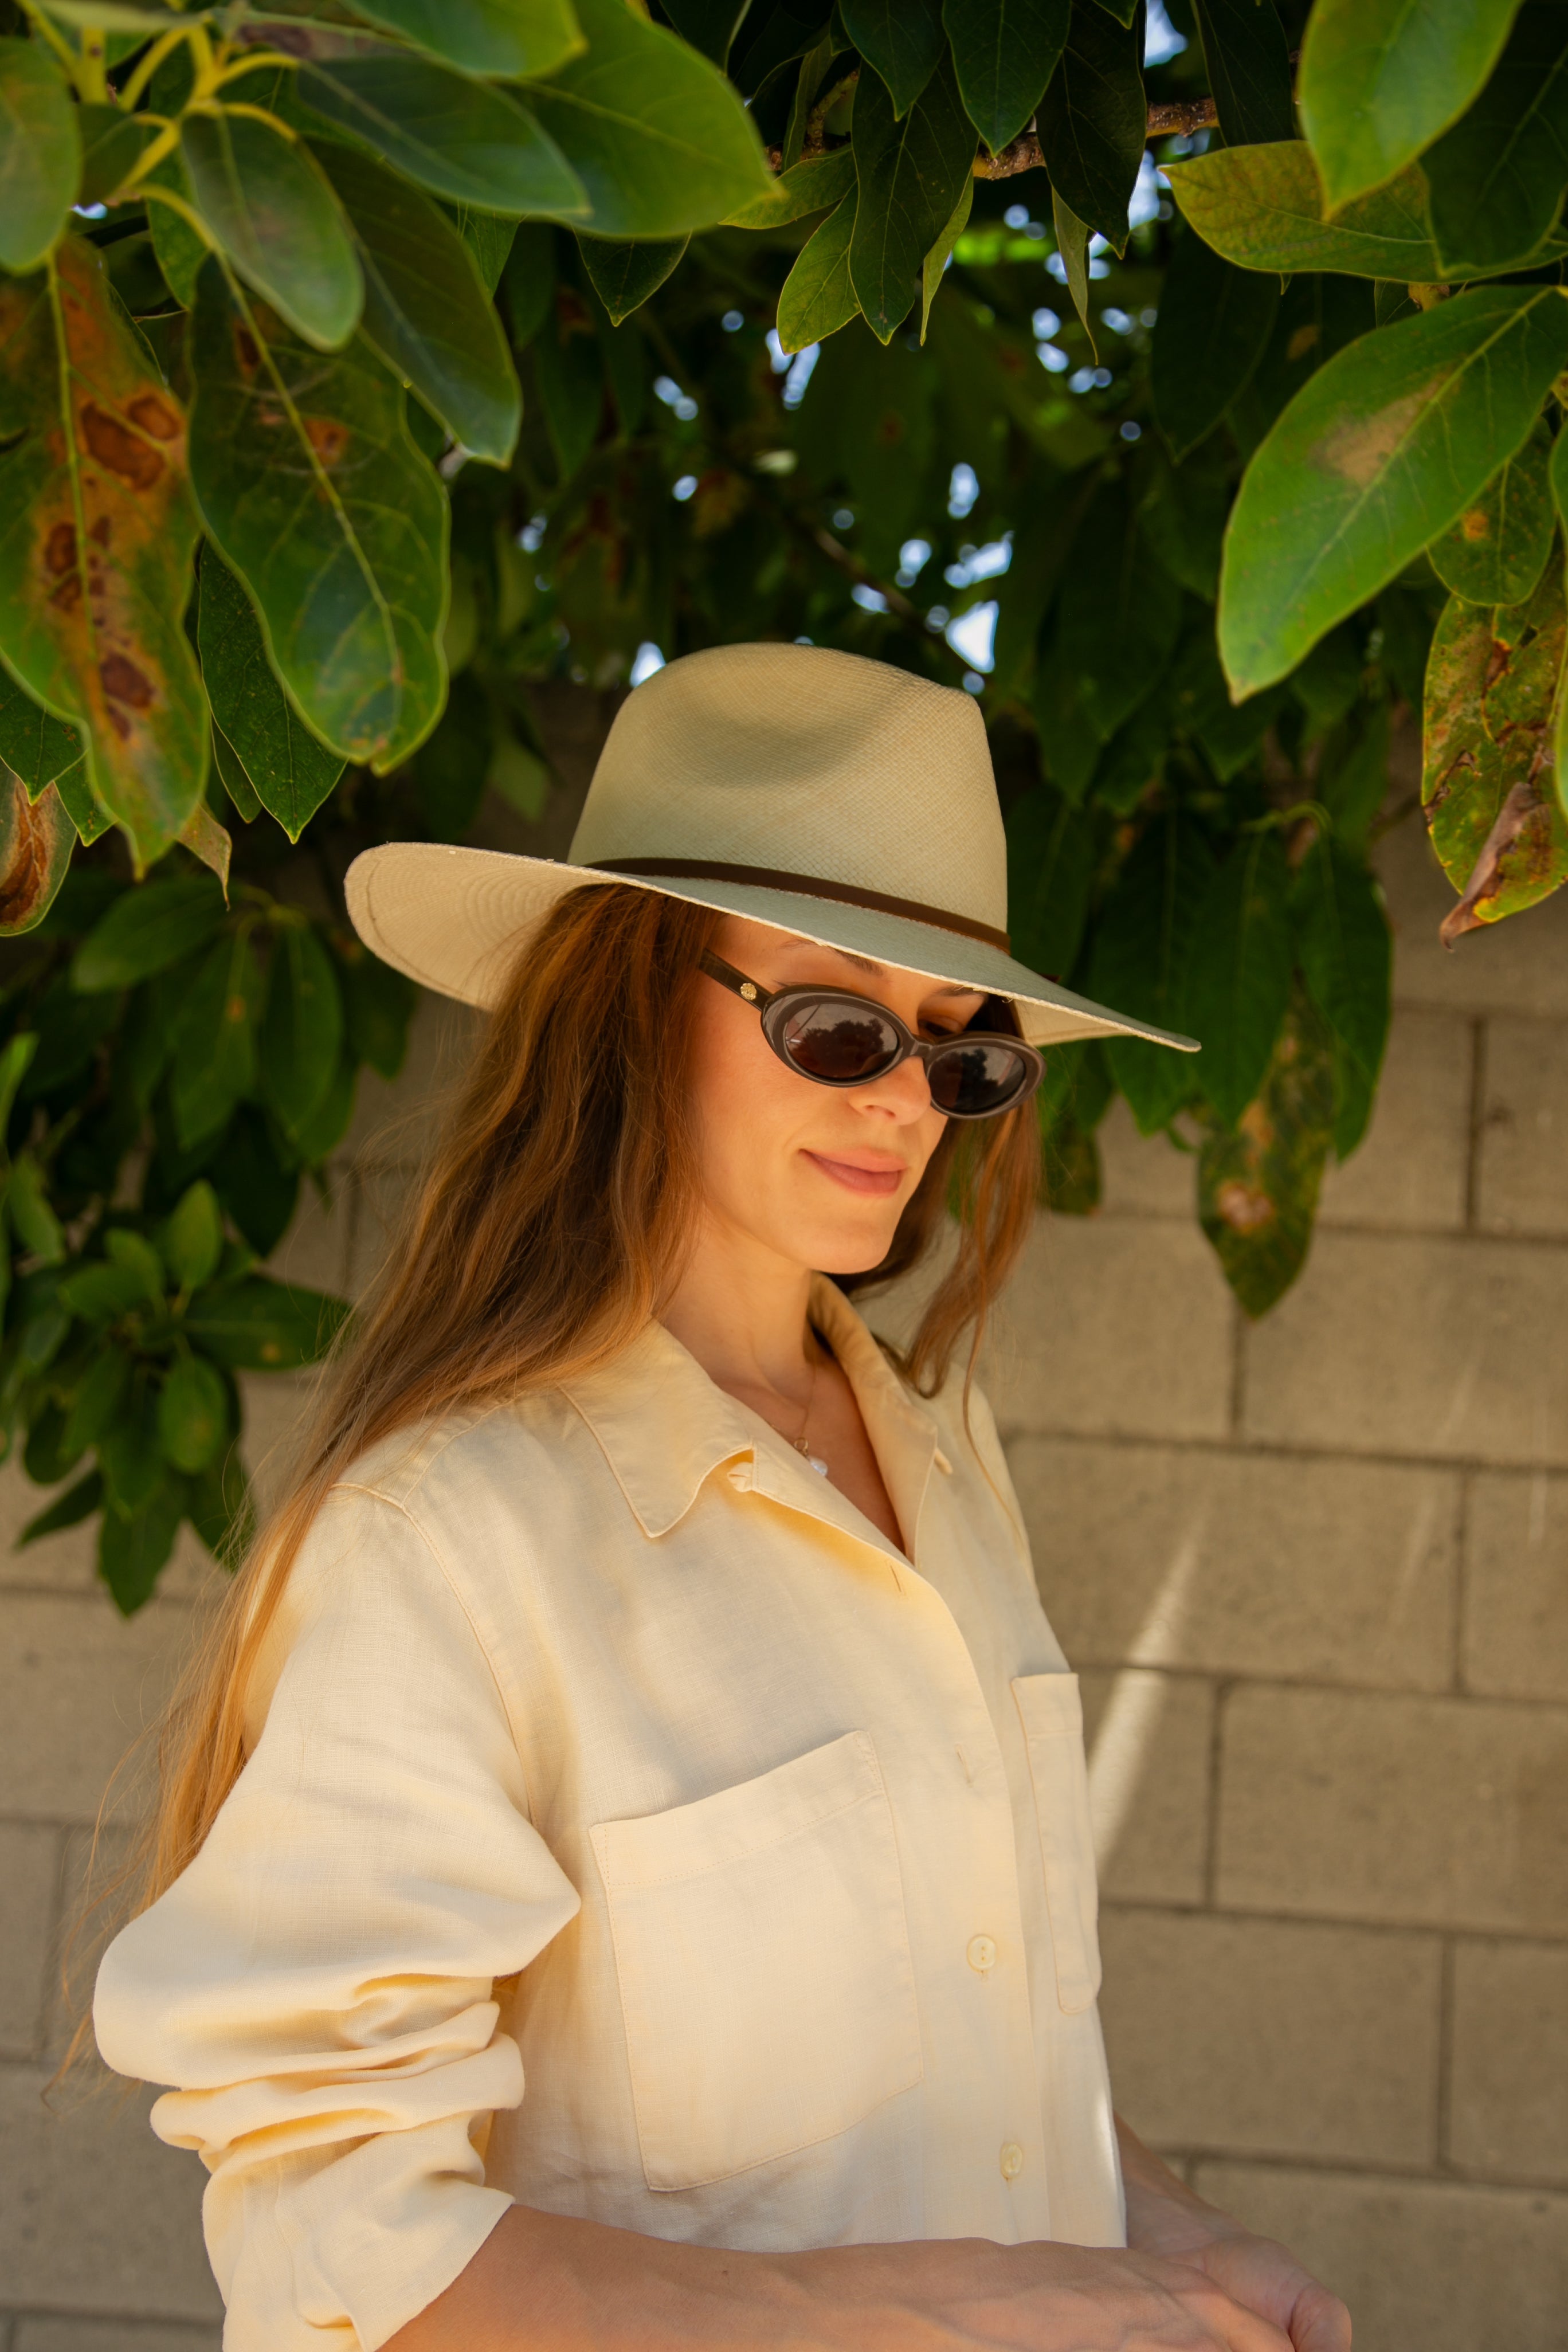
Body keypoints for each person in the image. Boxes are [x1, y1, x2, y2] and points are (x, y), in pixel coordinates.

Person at [95, 644, 1350, 2352]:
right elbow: (341, 2244)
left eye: (963, 1052)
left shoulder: (947, 1468)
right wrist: (945, 2317)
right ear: (627, 999)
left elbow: (990, 2047)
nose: (905, 1100)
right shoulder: (448, 1544)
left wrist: (1187, 2250)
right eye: (838, 1024)